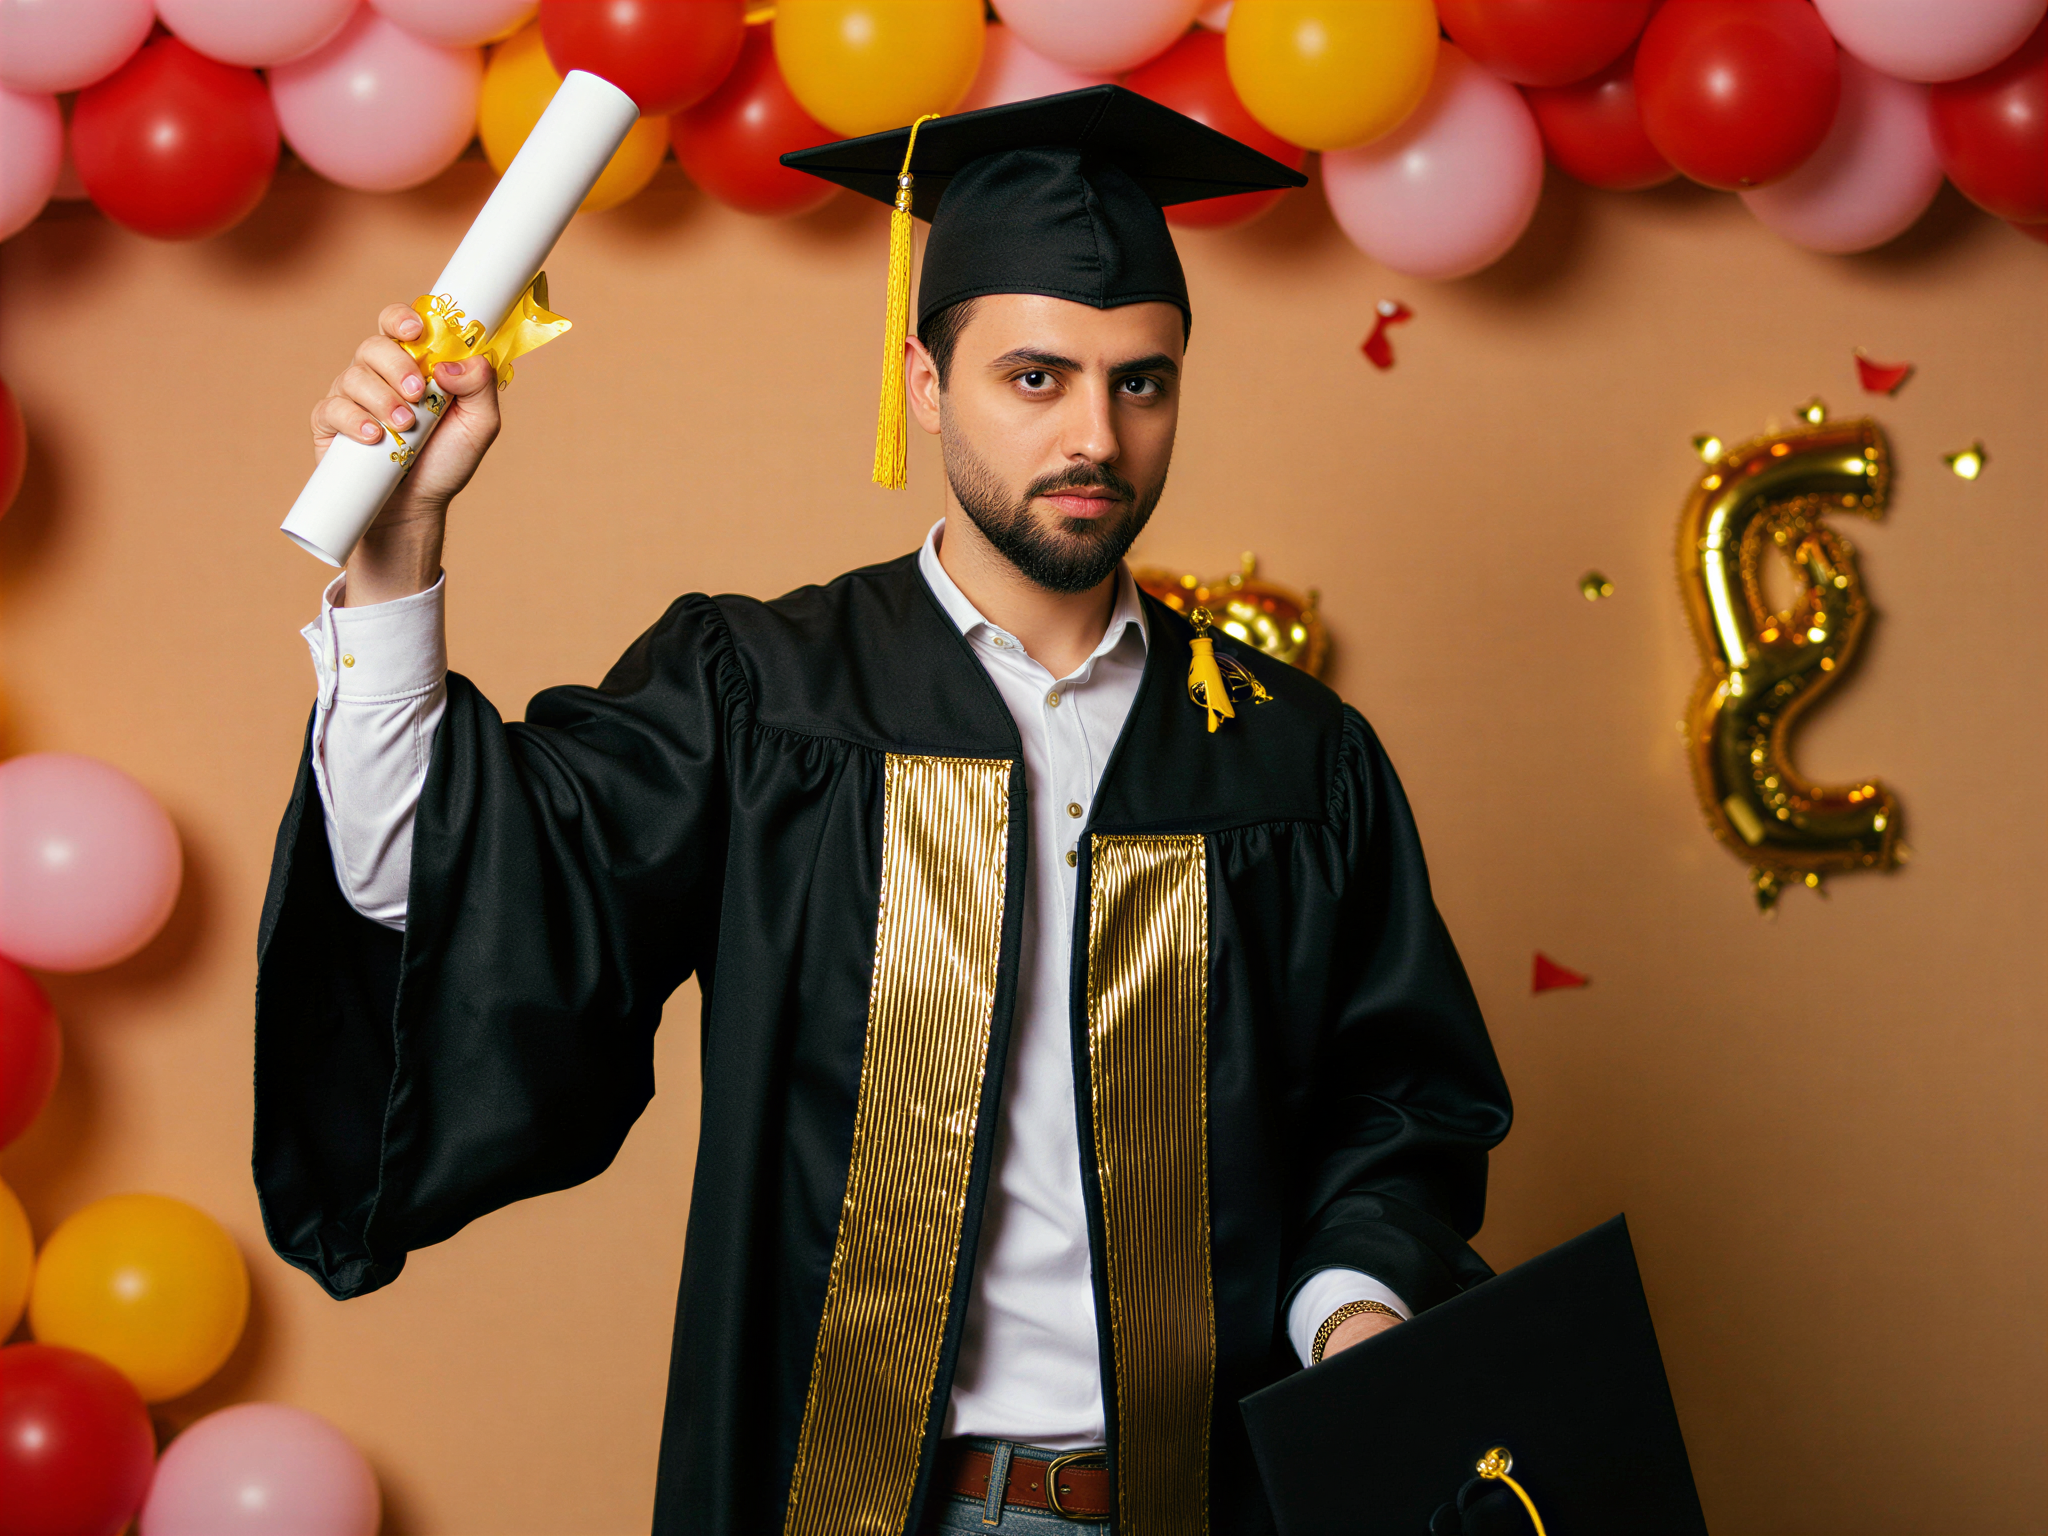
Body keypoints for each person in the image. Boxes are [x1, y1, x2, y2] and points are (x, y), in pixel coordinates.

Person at [255, 88, 1512, 1536]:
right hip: (846, 1503)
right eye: (1034, 378)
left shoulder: (1295, 759)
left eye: (1142, 381)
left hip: (1214, 1497)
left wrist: (1357, 1311)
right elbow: (441, 878)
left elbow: (1404, 1107)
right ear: (924, 380)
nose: (1095, 434)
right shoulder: (761, 699)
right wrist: (398, 552)